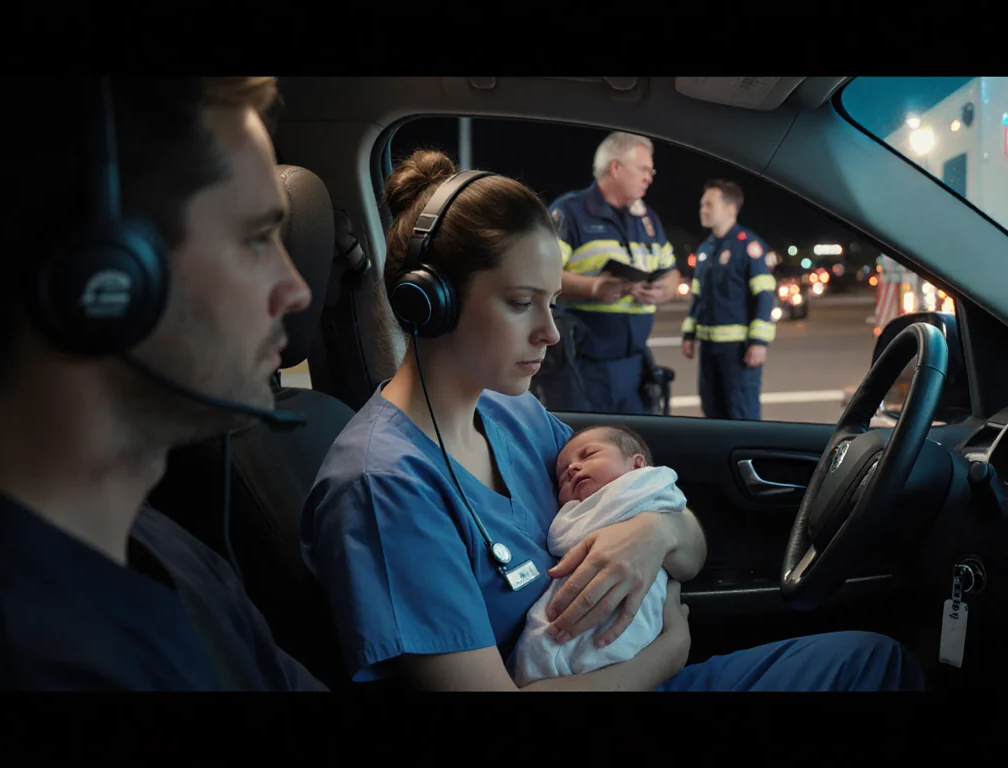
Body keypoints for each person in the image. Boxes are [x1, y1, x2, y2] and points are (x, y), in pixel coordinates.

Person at [300, 148, 925, 692]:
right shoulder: (385, 486)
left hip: (621, 667)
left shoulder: (513, 413)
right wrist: (665, 656)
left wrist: (653, 532)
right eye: (521, 303)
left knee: (874, 658)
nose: (549, 332)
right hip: (634, 672)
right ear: (428, 301)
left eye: (552, 302)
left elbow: (688, 544)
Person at [0, 77, 327, 691]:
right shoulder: (15, 654)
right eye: (258, 239)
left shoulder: (156, 545)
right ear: (107, 278)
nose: (297, 291)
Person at [508, 424, 687, 686]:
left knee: (543, 646)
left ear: (637, 465)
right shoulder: (666, 493)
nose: (572, 469)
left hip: (613, 625)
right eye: (562, 479)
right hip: (646, 637)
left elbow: (561, 539)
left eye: (589, 455)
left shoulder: (630, 492)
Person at [537, 132, 681, 415]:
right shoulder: (570, 212)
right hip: (582, 366)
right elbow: (539, 274)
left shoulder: (648, 218)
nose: (649, 178)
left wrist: (665, 289)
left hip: (635, 364)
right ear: (616, 167)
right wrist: (592, 288)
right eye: (644, 169)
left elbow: (671, 272)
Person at [680, 179, 777, 421]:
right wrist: (689, 334)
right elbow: (697, 298)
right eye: (702, 205)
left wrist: (758, 343)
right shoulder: (705, 250)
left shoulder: (749, 246)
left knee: (742, 415)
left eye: (709, 204)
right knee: (711, 412)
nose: (702, 210)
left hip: (738, 352)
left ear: (731, 209)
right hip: (708, 350)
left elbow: (765, 296)